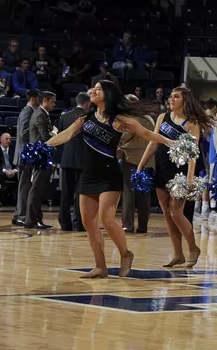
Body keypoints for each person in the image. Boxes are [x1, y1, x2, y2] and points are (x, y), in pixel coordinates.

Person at [47, 80, 173, 278]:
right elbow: (67, 134)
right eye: (93, 88)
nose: (93, 91)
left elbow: (147, 134)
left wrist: (170, 141)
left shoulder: (120, 119)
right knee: (88, 222)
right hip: (88, 175)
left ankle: (125, 254)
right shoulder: (86, 116)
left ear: (108, 93)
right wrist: (45, 145)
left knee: (106, 219)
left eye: (98, 89)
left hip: (109, 174)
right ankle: (100, 266)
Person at [138, 87, 213, 267]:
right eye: (171, 96)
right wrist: (141, 164)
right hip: (162, 167)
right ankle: (178, 254)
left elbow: (193, 152)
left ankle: (193, 248)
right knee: (167, 214)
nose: (171, 99)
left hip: (182, 170)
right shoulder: (162, 118)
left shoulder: (191, 122)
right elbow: (153, 142)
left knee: (177, 213)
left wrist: (189, 177)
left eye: (176, 97)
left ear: (184, 101)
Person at [118, 94, 155, 233]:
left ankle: (127, 225)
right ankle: (143, 226)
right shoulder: (149, 118)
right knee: (144, 195)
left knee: (129, 193)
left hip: (131, 159)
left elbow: (123, 139)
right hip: (148, 160)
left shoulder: (132, 120)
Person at [57, 92, 91, 232]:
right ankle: (79, 222)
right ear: (87, 103)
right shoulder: (88, 117)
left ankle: (64, 222)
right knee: (80, 193)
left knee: (66, 193)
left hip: (67, 160)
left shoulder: (64, 117)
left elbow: (60, 138)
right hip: (83, 160)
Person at [25, 91, 57, 230]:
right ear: (45, 100)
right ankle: (31, 220)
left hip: (41, 155)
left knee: (38, 189)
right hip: (40, 155)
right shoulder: (40, 114)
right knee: (36, 189)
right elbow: (45, 137)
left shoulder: (41, 113)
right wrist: (55, 133)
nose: (54, 104)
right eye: (53, 102)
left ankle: (36, 219)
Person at [12, 89, 40, 226]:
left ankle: (18, 215)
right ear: (33, 99)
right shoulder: (27, 112)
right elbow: (24, 134)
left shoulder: (28, 111)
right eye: (39, 98)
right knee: (24, 187)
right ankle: (22, 216)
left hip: (25, 154)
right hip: (25, 154)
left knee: (24, 186)